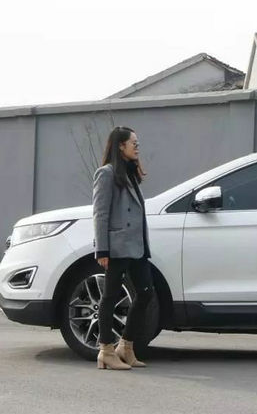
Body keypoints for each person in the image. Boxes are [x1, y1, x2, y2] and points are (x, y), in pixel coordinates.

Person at [92, 126, 153, 370]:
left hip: (136, 245)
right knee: (110, 296)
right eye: (133, 143)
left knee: (146, 293)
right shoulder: (106, 173)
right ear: (120, 146)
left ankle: (125, 346)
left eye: (138, 144)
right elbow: (100, 213)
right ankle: (105, 350)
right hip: (117, 246)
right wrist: (102, 250)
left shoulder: (130, 173)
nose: (137, 148)